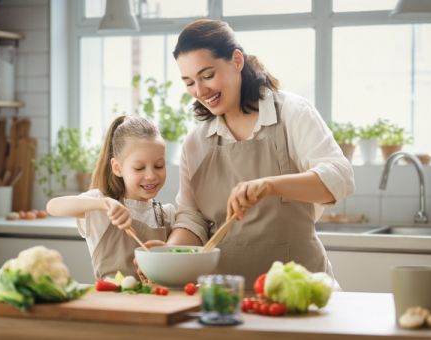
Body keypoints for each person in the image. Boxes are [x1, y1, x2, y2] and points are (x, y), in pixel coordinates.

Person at [167, 19, 355, 287]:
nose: (199, 91)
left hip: (301, 291)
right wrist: (165, 256)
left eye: (207, 75)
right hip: (226, 297)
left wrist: (269, 185)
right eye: (189, 82)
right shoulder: (195, 143)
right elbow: (192, 219)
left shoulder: (291, 113)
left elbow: (340, 178)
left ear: (236, 61)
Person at [46, 116, 175, 280]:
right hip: (111, 303)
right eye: (139, 168)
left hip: (156, 303)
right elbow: (53, 206)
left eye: (159, 166)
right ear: (117, 168)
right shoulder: (101, 209)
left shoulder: (166, 214)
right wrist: (103, 203)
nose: (150, 175)